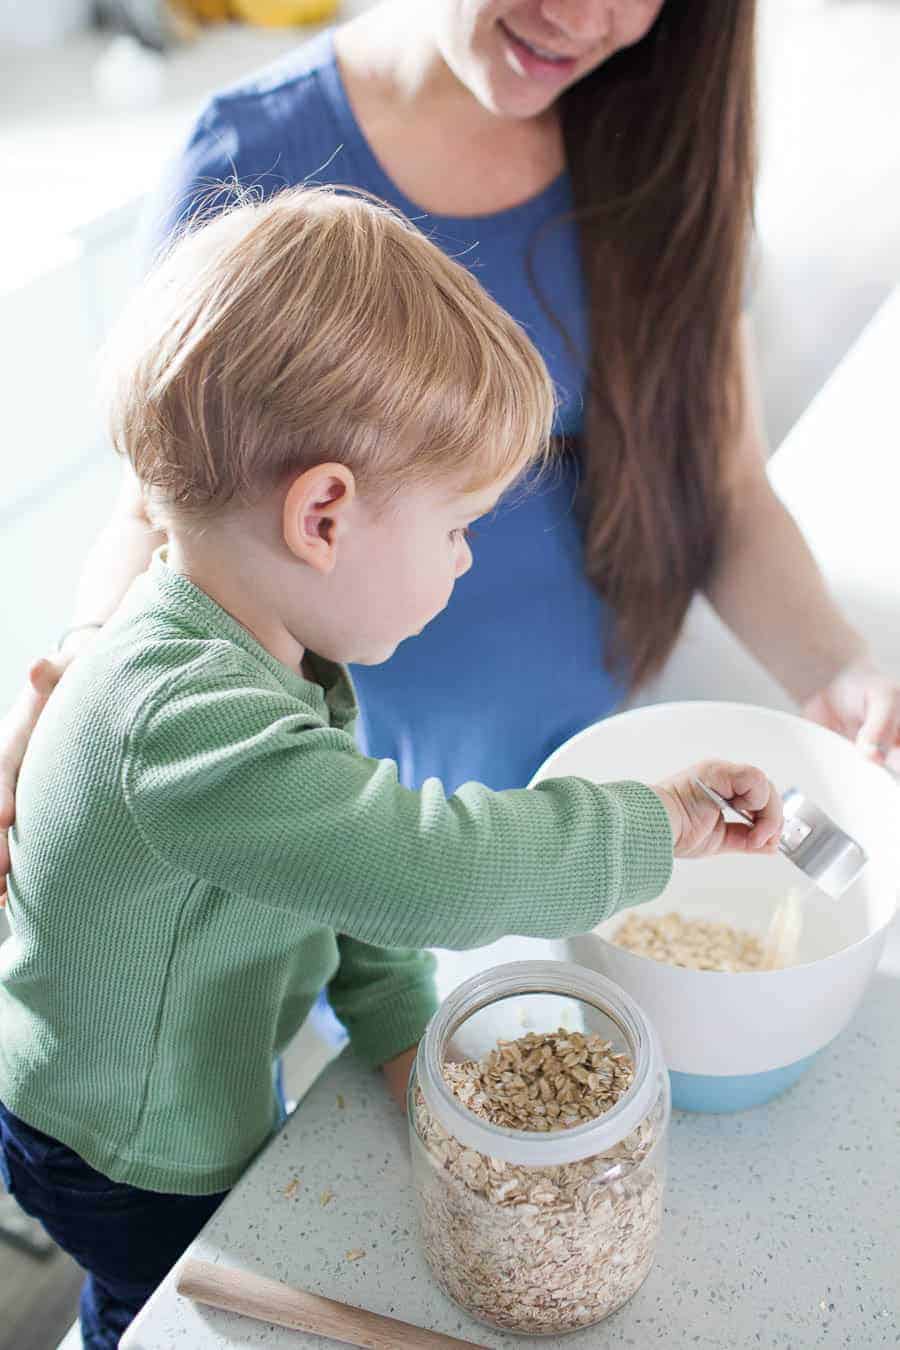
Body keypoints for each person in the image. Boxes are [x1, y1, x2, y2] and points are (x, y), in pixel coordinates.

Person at [0, 187, 779, 1348]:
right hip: (128, 1145)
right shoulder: (181, 717)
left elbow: (351, 879)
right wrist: (661, 822)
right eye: (459, 525)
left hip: (190, 1079)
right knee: (164, 1314)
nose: (465, 561)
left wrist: (406, 1037)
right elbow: (425, 870)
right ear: (324, 512)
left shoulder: (265, 652)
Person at [0, 1, 896, 897]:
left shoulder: (664, 146)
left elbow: (725, 488)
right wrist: (87, 672)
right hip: (355, 820)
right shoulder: (247, 157)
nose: (578, 15)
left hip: (588, 772)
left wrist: (837, 670)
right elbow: (153, 506)